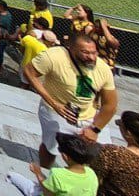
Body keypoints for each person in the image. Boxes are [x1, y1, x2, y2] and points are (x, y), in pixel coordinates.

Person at [24, 30, 118, 169]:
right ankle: (45, 173)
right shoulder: (54, 56)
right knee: (52, 148)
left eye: (94, 52)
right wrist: (53, 103)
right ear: (71, 49)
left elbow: (110, 105)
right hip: (56, 112)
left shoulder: (103, 69)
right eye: (85, 53)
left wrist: (95, 129)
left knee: (102, 156)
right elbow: (29, 72)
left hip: (89, 117)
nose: (92, 57)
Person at [6, 132, 98, 196]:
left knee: (14, 177)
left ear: (65, 156)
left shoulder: (58, 174)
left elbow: (47, 194)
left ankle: (9, 177)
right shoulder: (91, 174)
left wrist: (38, 173)